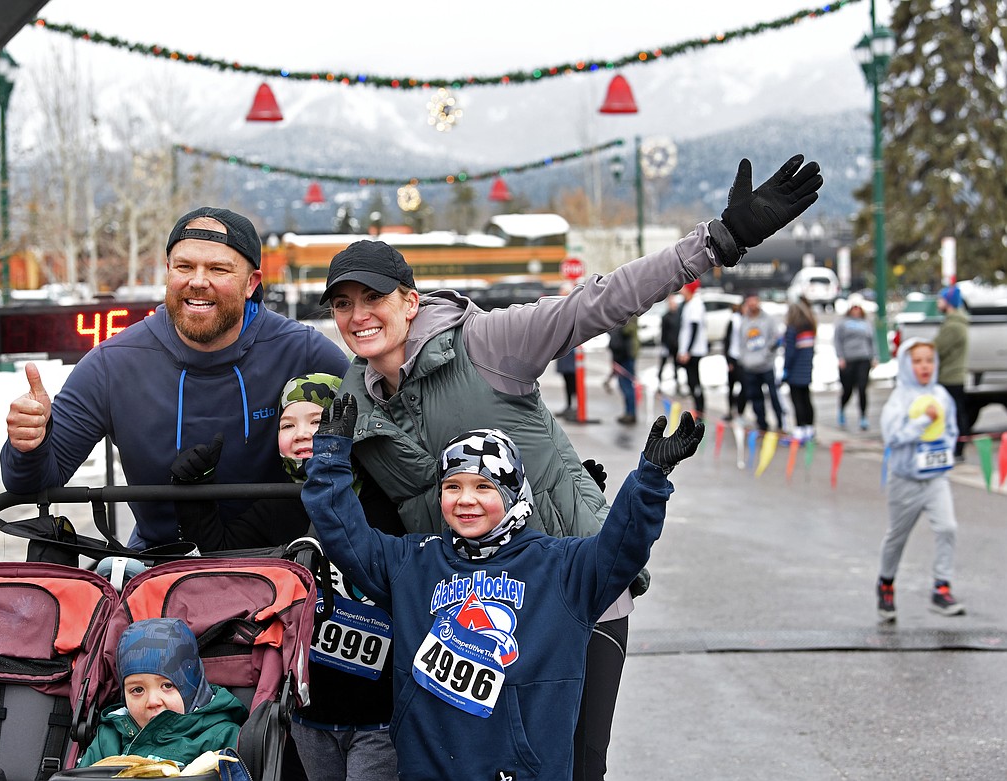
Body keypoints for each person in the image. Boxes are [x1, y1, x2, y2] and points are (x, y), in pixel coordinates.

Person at [318, 152, 821, 781]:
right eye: (342, 303)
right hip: (463, 613)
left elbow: (599, 303)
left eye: (375, 297)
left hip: (572, 583)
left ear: (411, 300)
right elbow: (346, 495)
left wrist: (721, 239)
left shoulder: (488, 342)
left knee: (573, 766)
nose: (359, 314)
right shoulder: (353, 399)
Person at [301, 396, 704, 781]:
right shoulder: (412, 561)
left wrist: (650, 478)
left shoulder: (561, 566)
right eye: (453, 487)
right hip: (426, 767)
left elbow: (623, 545)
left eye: (484, 487)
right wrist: (330, 459)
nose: (466, 501)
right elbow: (345, 536)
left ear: (511, 493)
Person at [0, 207, 350, 549]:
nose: (198, 281)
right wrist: (29, 443)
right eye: (185, 266)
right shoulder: (112, 364)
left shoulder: (305, 352)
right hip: (160, 567)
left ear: (251, 283)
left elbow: (373, 458)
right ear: (168, 271)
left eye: (218, 268)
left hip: (286, 567)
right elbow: (33, 481)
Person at [170, 373, 405, 781]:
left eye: (317, 421)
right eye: (287, 424)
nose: (302, 434)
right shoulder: (275, 504)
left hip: (380, 711)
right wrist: (193, 490)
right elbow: (224, 557)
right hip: (306, 712)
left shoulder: (387, 501)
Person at [79, 618, 249, 767]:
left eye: (167, 686)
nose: (153, 701)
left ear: (190, 688)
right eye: (137, 690)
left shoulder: (221, 737)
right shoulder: (109, 737)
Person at [877, 339, 965, 621]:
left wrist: (944, 450)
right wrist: (922, 423)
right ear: (906, 365)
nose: (924, 366)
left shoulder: (941, 395)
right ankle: (886, 584)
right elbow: (892, 437)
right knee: (897, 537)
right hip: (905, 480)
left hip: (936, 478)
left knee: (948, 528)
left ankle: (941, 587)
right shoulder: (899, 399)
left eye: (929, 360)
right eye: (917, 361)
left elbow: (952, 430)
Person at [736, 291, 785, 431]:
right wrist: (744, 359)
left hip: (766, 366)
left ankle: (780, 423)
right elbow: (741, 343)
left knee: (774, 396)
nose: (752, 304)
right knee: (755, 398)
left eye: (754, 301)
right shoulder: (744, 321)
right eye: (749, 302)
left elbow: (775, 340)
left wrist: (767, 355)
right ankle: (762, 424)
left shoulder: (768, 320)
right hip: (750, 367)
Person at [934, 284, 970, 460]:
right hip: (951, 375)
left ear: (948, 302)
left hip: (950, 376)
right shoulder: (953, 322)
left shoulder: (953, 326)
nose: (937, 302)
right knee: (955, 413)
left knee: (954, 414)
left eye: (941, 299)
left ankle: (957, 448)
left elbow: (936, 348)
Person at [833, 293, 877, 430]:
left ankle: (863, 417)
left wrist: (874, 356)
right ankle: (841, 410)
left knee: (863, 389)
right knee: (848, 390)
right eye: (854, 307)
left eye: (858, 307)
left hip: (864, 359)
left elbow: (872, 341)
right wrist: (840, 357)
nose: (856, 310)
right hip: (848, 359)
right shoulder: (843, 323)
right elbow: (837, 341)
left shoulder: (867, 323)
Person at [782, 294, 818, 441]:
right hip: (807, 368)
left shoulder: (792, 329)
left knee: (797, 401)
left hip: (796, 371)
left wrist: (786, 369)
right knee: (806, 398)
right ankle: (809, 428)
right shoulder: (809, 327)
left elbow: (790, 352)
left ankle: (799, 430)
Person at [676, 279, 707, 419]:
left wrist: (687, 351)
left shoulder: (695, 304)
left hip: (694, 351)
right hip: (688, 350)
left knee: (694, 382)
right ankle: (698, 409)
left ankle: (700, 411)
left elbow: (694, 329)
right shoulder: (688, 304)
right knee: (691, 381)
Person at [607, 317, 639, 425]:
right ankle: (628, 412)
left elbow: (628, 331)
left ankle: (631, 413)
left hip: (626, 354)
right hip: (620, 354)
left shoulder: (629, 315)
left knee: (627, 385)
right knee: (624, 385)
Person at [723, 301, 744, 421]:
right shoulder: (734, 320)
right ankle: (731, 410)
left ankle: (740, 411)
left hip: (745, 359)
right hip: (733, 356)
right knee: (731, 386)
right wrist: (728, 360)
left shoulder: (748, 320)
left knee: (744, 387)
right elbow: (726, 341)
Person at [658, 293, 684, 391]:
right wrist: (663, 344)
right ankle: (659, 384)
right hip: (667, 344)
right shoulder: (665, 317)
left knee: (676, 366)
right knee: (662, 364)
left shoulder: (678, 316)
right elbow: (663, 332)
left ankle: (677, 385)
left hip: (675, 345)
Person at [555, 348, 580, 418]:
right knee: (569, 385)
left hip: (570, 359)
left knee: (573, 385)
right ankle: (570, 406)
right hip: (566, 359)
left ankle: (575, 407)